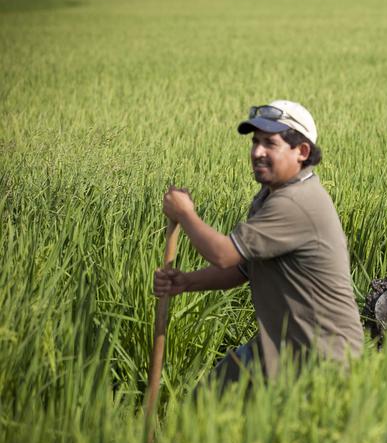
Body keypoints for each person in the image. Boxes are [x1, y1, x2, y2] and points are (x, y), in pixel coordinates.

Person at [153, 100, 363, 385]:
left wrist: (185, 214)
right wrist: (186, 282)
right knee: (210, 401)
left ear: (301, 152)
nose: (256, 152)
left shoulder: (296, 203)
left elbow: (224, 254)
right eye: (255, 142)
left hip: (320, 360)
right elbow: (244, 268)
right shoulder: (271, 196)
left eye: (269, 144)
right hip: (279, 349)